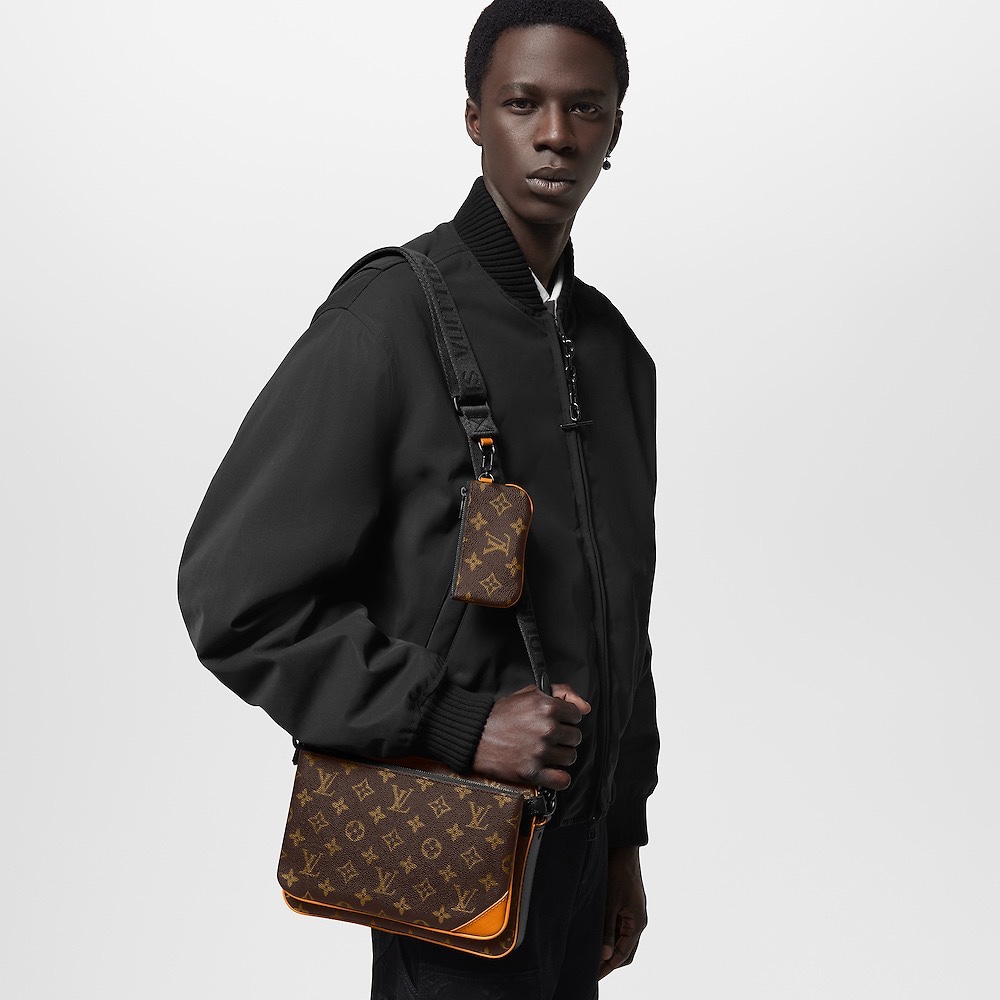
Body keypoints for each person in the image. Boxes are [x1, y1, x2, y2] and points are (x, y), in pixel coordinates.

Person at [178, 1, 658, 997]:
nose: (556, 134)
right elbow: (235, 598)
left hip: (577, 869)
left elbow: (623, 621)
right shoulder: (385, 321)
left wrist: (621, 835)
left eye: (586, 108)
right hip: (449, 848)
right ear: (474, 116)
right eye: (522, 102)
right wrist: (456, 722)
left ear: (616, 128)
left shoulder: (616, 354)